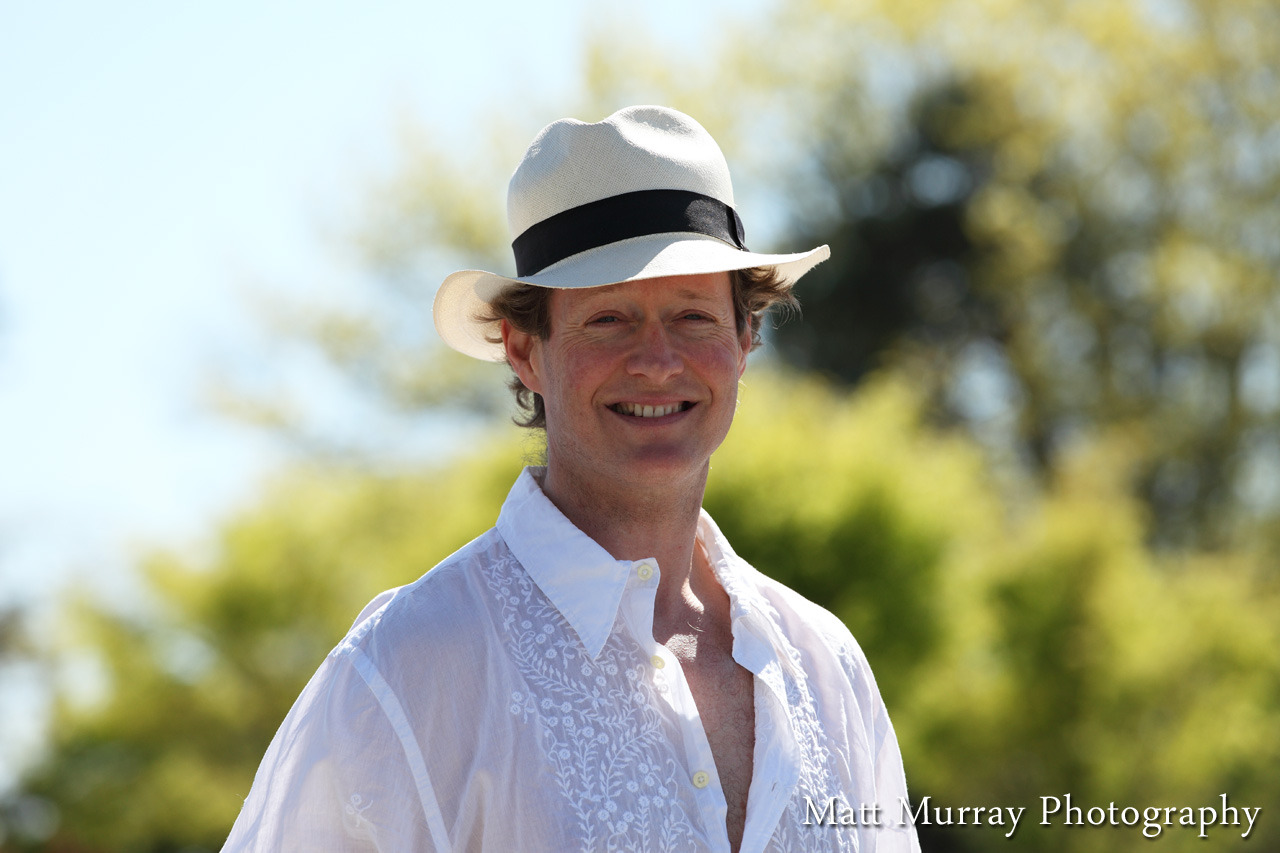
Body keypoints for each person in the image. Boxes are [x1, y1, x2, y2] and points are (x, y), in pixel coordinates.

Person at [223, 105, 921, 853]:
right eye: (610, 318)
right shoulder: (408, 670)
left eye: (693, 315)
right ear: (525, 351)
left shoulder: (826, 663)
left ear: (745, 338)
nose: (657, 360)